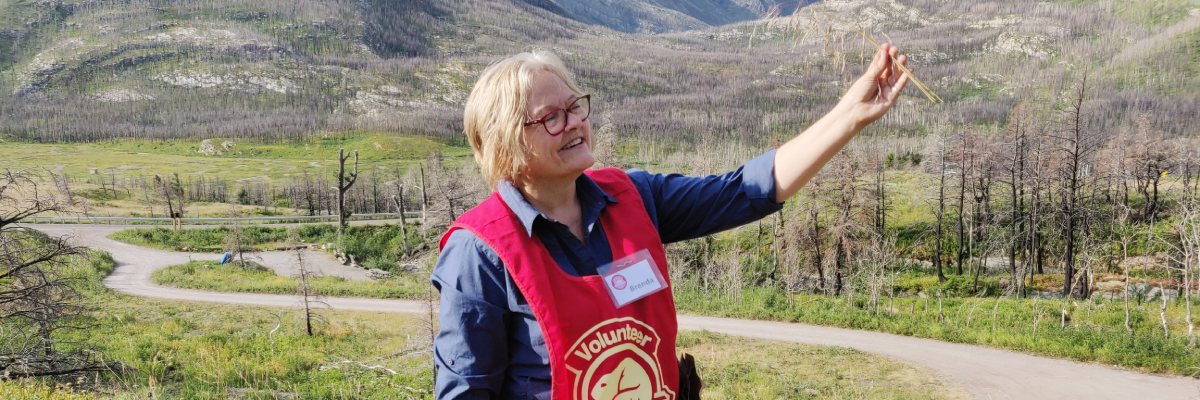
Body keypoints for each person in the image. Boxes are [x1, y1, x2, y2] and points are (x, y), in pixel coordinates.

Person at [432, 44, 909, 399]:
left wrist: (852, 114)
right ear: (506, 143)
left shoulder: (633, 198)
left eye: (576, 105)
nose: (575, 121)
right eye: (552, 117)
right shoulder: (480, 253)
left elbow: (744, 191)